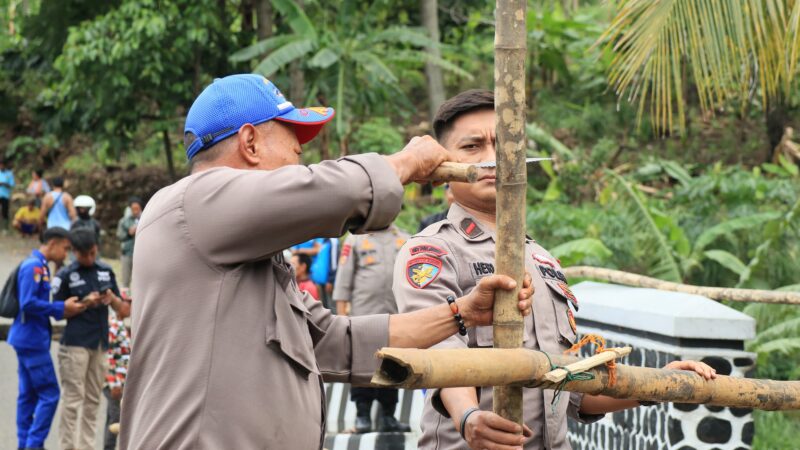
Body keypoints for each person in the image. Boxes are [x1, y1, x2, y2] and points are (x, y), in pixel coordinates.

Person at [118, 74, 534, 450]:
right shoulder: (190, 203)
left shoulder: (256, 259)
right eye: (293, 136)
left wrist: (461, 313)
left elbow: (338, 341)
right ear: (249, 142)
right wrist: (406, 163)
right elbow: (326, 191)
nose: (302, 151)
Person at [393, 89, 717, 450]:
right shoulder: (433, 251)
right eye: (472, 147)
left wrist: (657, 385)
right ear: (442, 170)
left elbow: (571, 390)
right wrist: (469, 417)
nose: (492, 158)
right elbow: (440, 348)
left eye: (503, 144)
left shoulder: (542, 259)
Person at [7, 227, 85, 450]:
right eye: (65, 248)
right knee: (50, 394)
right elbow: (28, 303)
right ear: (52, 244)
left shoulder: (40, 265)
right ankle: (33, 444)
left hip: (27, 339)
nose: (66, 254)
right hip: (32, 341)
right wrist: (61, 308)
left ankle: (25, 444)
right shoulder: (34, 267)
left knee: (28, 395)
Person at [52, 228, 129, 450]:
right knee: (73, 401)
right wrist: (85, 303)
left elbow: (123, 310)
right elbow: (57, 311)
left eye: (93, 253)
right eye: (84, 254)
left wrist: (111, 298)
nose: (89, 258)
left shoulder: (105, 270)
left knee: (93, 400)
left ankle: (86, 446)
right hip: (75, 343)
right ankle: (68, 447)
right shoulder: (66, 275)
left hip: (100, 344)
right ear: (74, 252)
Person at [333, 225, 411, 433]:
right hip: (363, 315)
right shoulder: (356, 239)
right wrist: (341, 318)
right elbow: (343, 279)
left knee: (394, 363)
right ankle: (362, 416)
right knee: (362, 364)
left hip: (396, 316)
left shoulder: (405, 239)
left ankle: (388, 416)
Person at [103, 289, 131, 450]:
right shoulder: (113, 325)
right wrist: (114, 384)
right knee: (115, 420)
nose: (131, 307)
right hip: (114, 383)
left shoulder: (121, 325)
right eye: (129, 303)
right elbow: (108, 354)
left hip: (120, 382)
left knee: (113, 418)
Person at [116, 197, 142, 289]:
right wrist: (129, 233)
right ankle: (125, 298)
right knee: (125, 280)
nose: (135, 211)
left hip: (141, 254)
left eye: (137, 209)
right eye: (133, 209)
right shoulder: (123, 221)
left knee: (140, 280)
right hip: (127, 253)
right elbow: (119, 235)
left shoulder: (145, 219)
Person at [0, 159, 14, 228]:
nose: (1, 166)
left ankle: (5, 227)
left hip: (5, 195)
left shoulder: (9, 174)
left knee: (5, 211)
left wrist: (4, 183)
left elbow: (12, 185)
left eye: (2, 165)